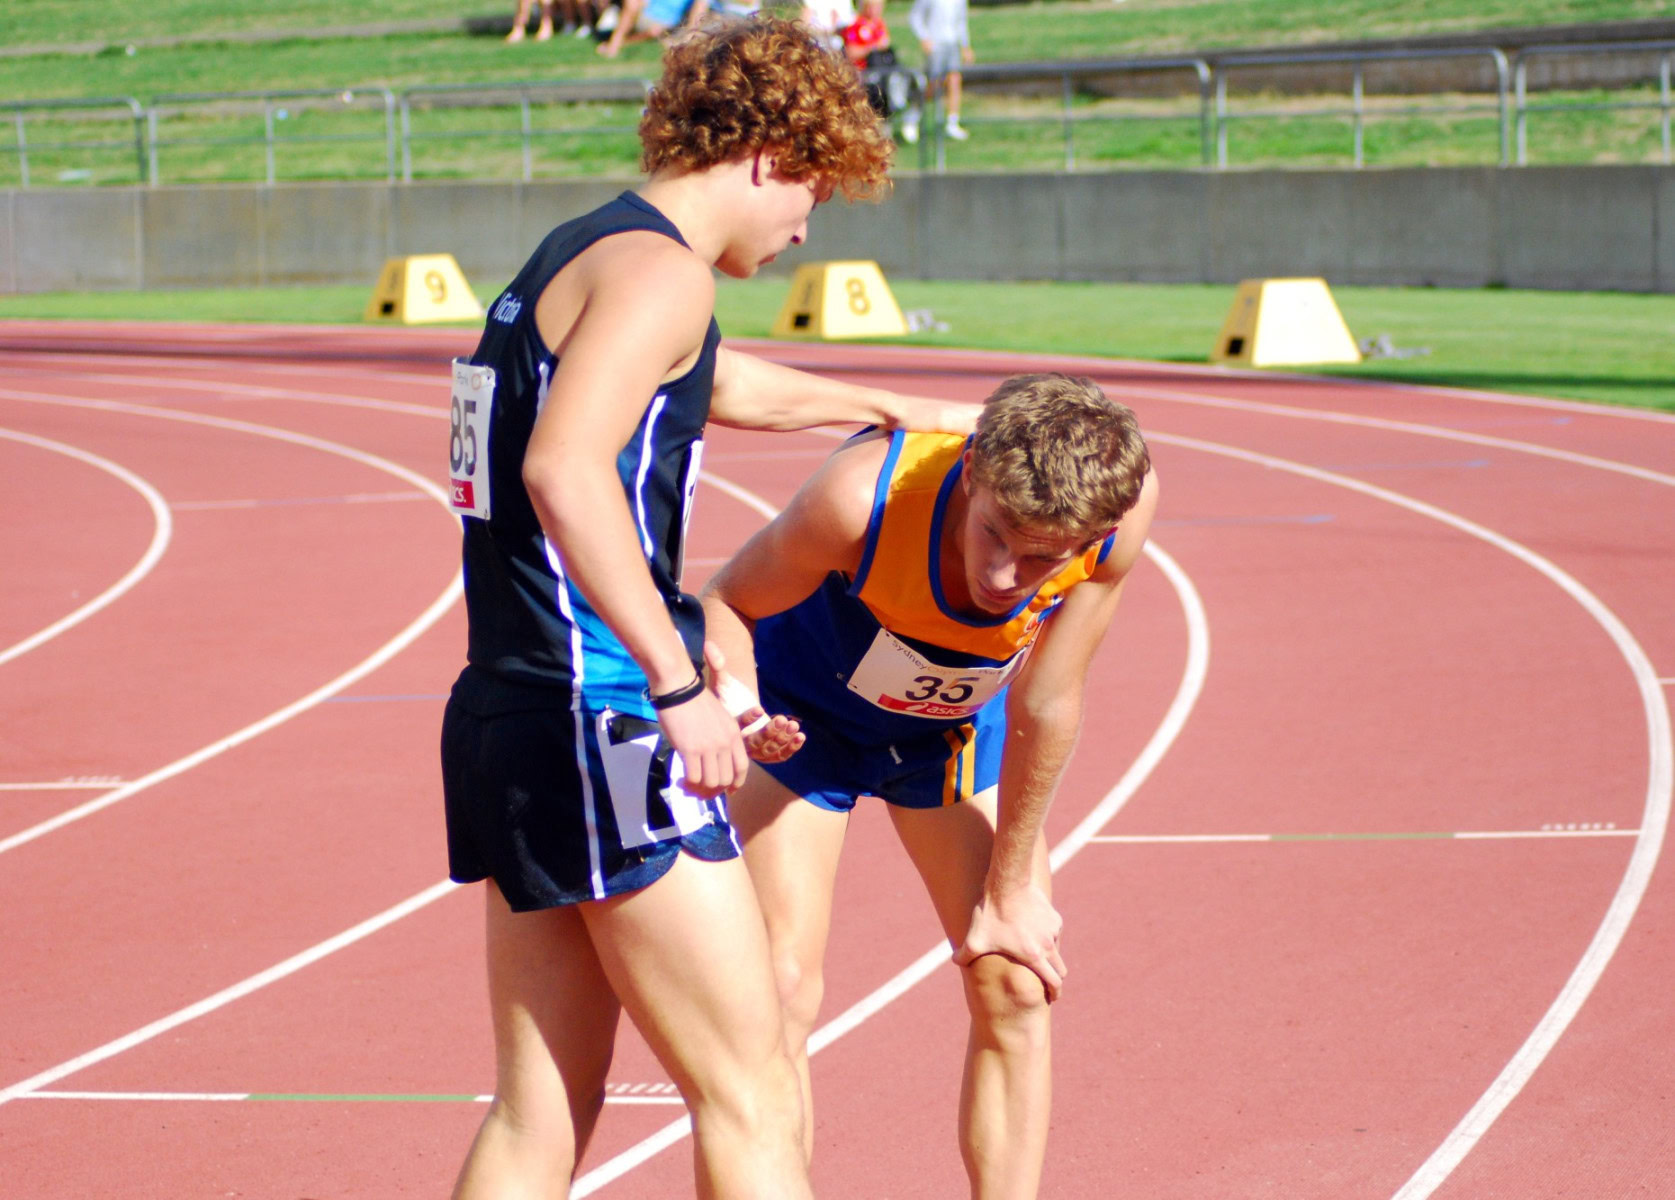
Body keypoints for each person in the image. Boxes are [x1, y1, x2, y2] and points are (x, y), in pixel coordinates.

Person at [441, 17, 976, 1200]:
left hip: (511, 710)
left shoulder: (587, 253)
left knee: (542, 1110)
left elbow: (705, 379)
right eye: (813, 194)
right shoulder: (662, 273)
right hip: (606, 716)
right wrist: (680, 685)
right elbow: (564, 470)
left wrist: (879, 403)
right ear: (770, 154)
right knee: (756, 1088)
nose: (803, 230)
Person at [700, 374, 1158, 1198]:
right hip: (803, 725)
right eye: (996, 536)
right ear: (971, 468)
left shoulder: (1118, 514)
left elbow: (1048, 702)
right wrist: (740, 710)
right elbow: (725, 601)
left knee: (1015, 978)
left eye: (1042, 558)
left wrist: (1011, 887)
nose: (1008, 576)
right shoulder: (860, 498)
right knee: (779, 995)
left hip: (947, 733)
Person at [903, 0, 973, 142]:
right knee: (934, 84)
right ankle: (912, 117)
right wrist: (924, 37)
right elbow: (915, 17)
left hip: (952, 43)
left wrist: (965, 45)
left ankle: (952, 122)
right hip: (936, 44)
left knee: (954, 79)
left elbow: (961, 21)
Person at [597, 0, 709, 57]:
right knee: (633, 3)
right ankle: (614, 43)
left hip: (671, 24)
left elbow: (699, 9)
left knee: (656, 32)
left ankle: (620, 43)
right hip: (646, 16)